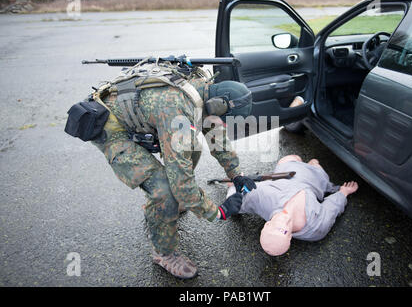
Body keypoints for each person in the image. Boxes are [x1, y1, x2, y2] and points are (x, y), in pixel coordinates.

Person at [89, 62, 256, 278]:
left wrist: (236, 174)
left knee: (191, 150)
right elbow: (181, 180)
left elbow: (217, 138)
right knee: (165, 190)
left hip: (143, 117)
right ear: (218, 105)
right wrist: (217, 211)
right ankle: (163, 253)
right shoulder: (177, 110)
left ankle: (174, 205)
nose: (221, 123)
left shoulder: (203, 91)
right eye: (222, 118)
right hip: (112, 129)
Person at [226, 155, 358, 256]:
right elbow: (331, 208)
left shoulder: (259, 197)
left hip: (287, 173)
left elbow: (234, 203)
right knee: (315, 163)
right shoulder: (316, 228)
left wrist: (234, 185)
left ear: (267, 225)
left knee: (293, 158)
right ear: (290, 237)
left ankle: (302, 162)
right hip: (314, 181)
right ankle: (313, 164)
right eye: (286, 228)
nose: (285, 219)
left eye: (277, 223)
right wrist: (343, 193)